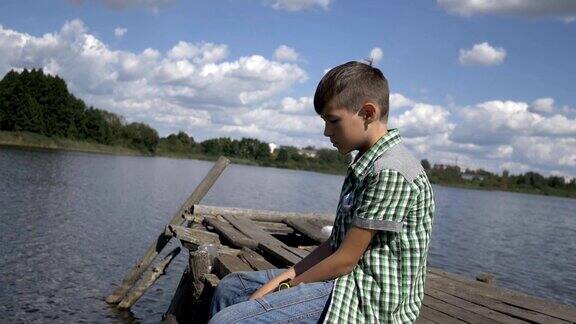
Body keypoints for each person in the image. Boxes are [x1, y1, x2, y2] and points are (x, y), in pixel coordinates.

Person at [208, 61, 435, 323]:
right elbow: (334, 246)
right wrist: (288, 275)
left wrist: (283, 289)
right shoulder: (365, 163)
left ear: (368, 113)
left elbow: (346, 260)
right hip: (343, 281)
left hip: (365, 299)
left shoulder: (390, 171)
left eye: (333, 120)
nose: (326, 132)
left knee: (227, 321)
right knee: (231, 288)